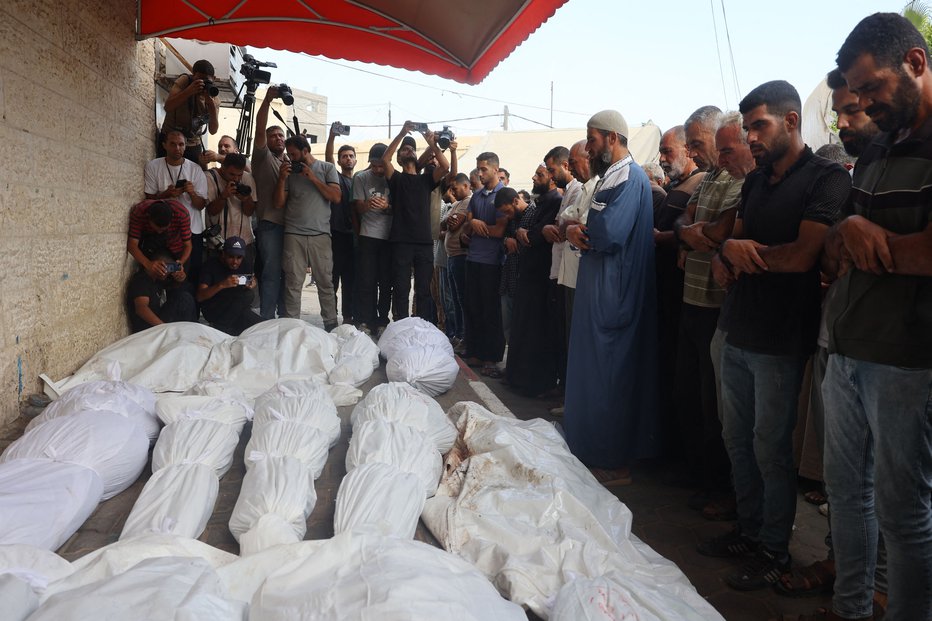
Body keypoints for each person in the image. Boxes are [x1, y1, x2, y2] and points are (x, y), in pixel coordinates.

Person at [697, 80, 850, 592]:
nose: (752, 138)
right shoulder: (758, 181)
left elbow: (807, 255)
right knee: (736, 439)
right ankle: (748, 529)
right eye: (748, 128)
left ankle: (774, 551)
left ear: (790, 121)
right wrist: (723, 256)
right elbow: (731, 240)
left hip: (781, 338)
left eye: (759, 126)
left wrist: (743, 253)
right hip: (735, 328)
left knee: (771, 450)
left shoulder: (825, 178)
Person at [812, 13, 932, 621]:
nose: (863, 104)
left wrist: (868, 239)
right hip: (848, 350)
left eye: (872, 89)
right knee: (846, 498)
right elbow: (843, 239)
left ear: (914, 63)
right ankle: (850, 610)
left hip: (909, 362)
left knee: (905, 516)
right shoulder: (881, 144)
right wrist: (852, 232)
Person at [775, 66, 885, 609]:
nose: (842, 122)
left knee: (897, 493)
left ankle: (883, 589)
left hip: (893, 353)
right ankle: (849, 580)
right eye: (837, 113)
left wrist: (853, 243)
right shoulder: (865, 168)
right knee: (849, 487)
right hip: (839, 339)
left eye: (852, 111)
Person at [564, 110, 658, 486]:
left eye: (593, 138)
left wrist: (577, 229)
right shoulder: (610, 177)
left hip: (614, 291)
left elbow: (606, 232)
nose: (588, 146)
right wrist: (576, 228)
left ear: (613, 138)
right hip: (600, 286)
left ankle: (612, 459)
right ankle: (590, 448)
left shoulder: (629, 178)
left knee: (611, 375)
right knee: (596, 371)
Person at [671, 110, 750, 519]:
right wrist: (689, 234)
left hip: (717, 305)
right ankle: (703, 478)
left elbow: (724, 229)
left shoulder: (739, 175)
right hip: (692, 298)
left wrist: (698, 234)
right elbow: (687, 218)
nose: (695, 152)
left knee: (715, 405)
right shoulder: (714, 177)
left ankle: (723, 489)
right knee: (693, 395)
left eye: (698, 143)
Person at [653, 121, 708, 464]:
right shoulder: (680, 185)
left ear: (688, 151)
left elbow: (693, 229)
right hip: (669, 297)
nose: (661, 158)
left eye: (667, 151)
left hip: (685, 295)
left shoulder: (699, 183)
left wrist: (671, 237)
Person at [382, 122, 449, 322]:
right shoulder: (395, 179)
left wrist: (432, 144)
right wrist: (403, 132)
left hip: (424, 242)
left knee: (423, 291)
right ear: (400, 157)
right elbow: (385, 158)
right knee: (401, 288)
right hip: (401, 241)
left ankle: (422, 326)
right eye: (404, 149)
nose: (408, 150)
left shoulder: (426, 180)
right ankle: (401, 326)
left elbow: (445, 167)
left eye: (411, 148)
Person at [506, 163, 563, 395]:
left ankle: (533, 382)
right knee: (522, 326)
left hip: (541, 276)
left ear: (551, 177)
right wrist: (524, 234)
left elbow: (538, 236)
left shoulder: (555, 202)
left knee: (536, 331)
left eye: (540, 174)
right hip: (529, 274)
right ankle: (517, 377)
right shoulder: (541, 203)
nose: (534, 177)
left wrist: (525, 234)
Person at [274, 134, 341, 329]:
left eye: (294, 154)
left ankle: (330, 323)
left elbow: (336, 197)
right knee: (293, 282)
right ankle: (292, 325)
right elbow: (278, 203)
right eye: (289, 154)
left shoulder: (327, 168)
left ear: (305, 151)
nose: (291, 158)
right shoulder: (289, 173)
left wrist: (312, 178)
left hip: (320, 234)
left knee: (325, 282)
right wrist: (281, 179)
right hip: (294, 234)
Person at [464, 152, 509, 375]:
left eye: (483, 169)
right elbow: (468, 223)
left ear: (495, 169)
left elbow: (499, 230)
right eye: (478, 169)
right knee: (473, 306)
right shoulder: (477, 195)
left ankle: (491, 356)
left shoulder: (502, 195)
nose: (479, 173)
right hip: (473, 257)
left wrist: (477, 226)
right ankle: (476, 351)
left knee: (490, 310)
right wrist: (474, 224)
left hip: (492, 261)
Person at [144, 130, 208, 283]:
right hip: (164, 230)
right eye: (173, 144)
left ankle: (190, 305)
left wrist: (192, 193)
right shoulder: (153, 166)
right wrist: (165, 194)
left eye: (181, 144)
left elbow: (201, 205)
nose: (177, 148)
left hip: (192, 230)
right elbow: (148, 200)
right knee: (165, 273)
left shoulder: (195, 169)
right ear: (164, 145)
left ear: (185, 147)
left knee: (191, 273)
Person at [252, 85, 289, 320]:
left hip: (291, 226)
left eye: (281, 135)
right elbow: (259, 128)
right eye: (273, 135)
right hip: (269, 224)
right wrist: (266, 100)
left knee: (288, 275)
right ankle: (266, 319)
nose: (278, 138)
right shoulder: (262, 157)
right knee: (271, 273)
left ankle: (285, 318)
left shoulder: (287, 160)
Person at [352, 143, 393, 334]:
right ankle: (366, 321)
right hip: (368, 235)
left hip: (389, 237)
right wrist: (368, 205)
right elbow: (357, 207)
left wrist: (387, 207)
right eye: (374, 165)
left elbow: (401, 209)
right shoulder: (360, 177)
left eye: (380, 165)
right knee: (367, 281)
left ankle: (382, 321)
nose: (377, 169)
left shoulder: (393, 178)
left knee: (386, 282)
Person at [197, 236, 262, 336]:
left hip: (237, 309)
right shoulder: (211, 265)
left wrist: (252, 283)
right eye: (231, 257)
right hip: (215, 309)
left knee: (262, 326)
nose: (235, 262)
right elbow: (200, 296)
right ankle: (221, 327)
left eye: (239, 258)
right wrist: (222, 285)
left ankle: (225, 328)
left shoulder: (245, 264)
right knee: (248, 296)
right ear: (223, 254)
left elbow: (246, 287)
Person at [326, 127, 358, 325]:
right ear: (339, 161)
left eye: (351, 156)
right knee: (332, 281)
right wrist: (331, 136)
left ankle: (348, 319)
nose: (348, 159)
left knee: (350, 281)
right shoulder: (335, 177)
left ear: (355, 160)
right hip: (335, 235)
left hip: (353, 237)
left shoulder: (359, 181)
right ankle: (331, 320)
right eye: (344, 156)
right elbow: (328, 156)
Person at [159, 59, 220, 165]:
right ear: (193, 75)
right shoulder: (185, 81)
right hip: (171, 139)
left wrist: (211, 105)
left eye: (207, 81)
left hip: (192, 142)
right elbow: (168, 107)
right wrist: (189, 91)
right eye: (199, 80)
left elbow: (213, 130)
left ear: (213, 79)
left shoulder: (214, 97)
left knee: (192, 175)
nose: (203, 84)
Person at [204, 152, 257, 268]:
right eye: (232, 174)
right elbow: (211, 211)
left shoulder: (247, 178)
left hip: (244, 242)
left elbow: (249, 212)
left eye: (239, 175)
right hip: (218, 244)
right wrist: (224, 196)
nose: (236, 179)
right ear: (223, 167)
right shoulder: (209, 177)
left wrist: (246, 199)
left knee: (244, 282)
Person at [126, 249, 196, 333]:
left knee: (185, 295)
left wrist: (181, 277)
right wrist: (163, 328)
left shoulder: (156, 280)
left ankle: (190, 331)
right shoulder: (142, 280)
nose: (168, 272)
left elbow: (175, 289)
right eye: (166, 267)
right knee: (184, 298)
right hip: (147, 328)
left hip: (157, 322)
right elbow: (141, 308)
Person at [442, 173, 472, 350]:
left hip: (461, 256)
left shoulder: (467, 202)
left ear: (466, 186)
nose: (452, 191)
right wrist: (448, 221)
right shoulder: (456, 204)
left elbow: (453, 225)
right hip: (452, 256)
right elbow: (443, 225)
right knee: (455, 298)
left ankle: (463, 335)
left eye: (455, 188)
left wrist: (448, 222)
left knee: (461, 299)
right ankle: (460, 334)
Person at [127, 199, 192, 278]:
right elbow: (132, 244)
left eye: (163, 229)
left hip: (177, 246)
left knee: (179, 279)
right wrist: (148, 264)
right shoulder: (139, 212)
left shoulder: (182, 213)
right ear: (148, 217)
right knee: (146, 277)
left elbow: (188, 245)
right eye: (157, 229)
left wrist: (180, 263)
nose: (159, 232)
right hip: (151, 244)